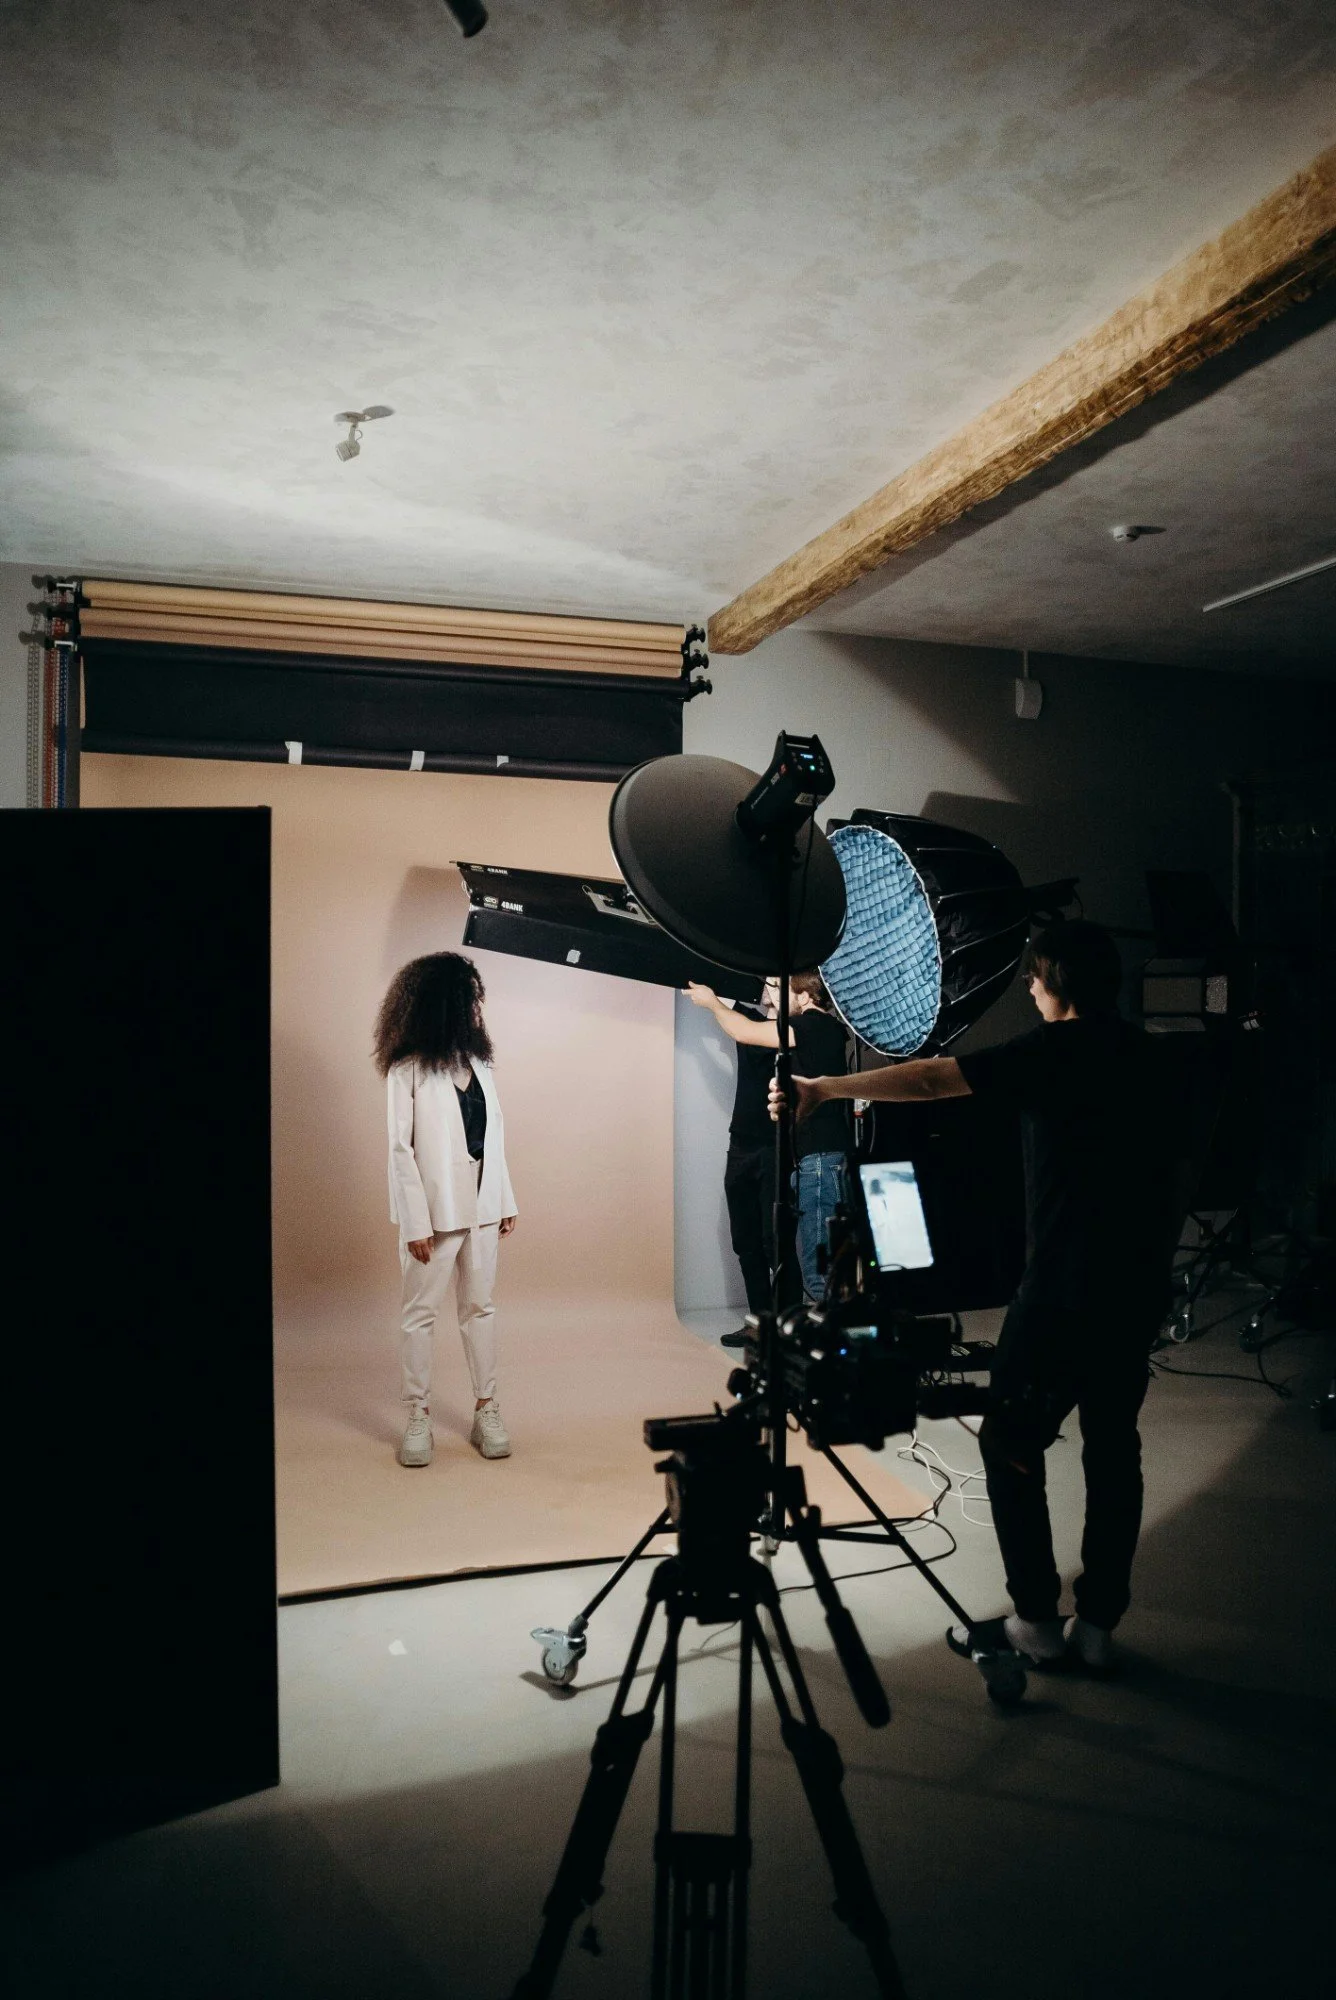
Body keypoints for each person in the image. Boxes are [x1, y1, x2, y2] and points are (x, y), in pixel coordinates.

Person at [773, 920, 1175, 1675]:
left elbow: (932, 1079)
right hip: (1135, 1290)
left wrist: (825, 1087)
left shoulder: (1053, 1052)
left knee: (1011, 1443)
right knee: (1114, 1448)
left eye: (1032, 977)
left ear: (1054, 979)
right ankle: (1099, 1626)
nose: (1027, 988)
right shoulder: (1152, 1057)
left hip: (1059, 1292)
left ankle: (1034, 1621)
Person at [373, 952, 518, 1469]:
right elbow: (399, 1149)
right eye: (468, 1001)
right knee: (420, 1315)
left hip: (482, 1206)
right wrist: (414, 1222)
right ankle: (417, 1413)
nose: (476, 1011)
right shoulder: (405, 1071)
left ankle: (486, 1406)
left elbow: (494, 1137)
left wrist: (505, 1198)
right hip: (433, 1217)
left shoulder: (480, 1066)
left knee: (480, 1309)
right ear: (442, 1006)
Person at [688, 971, 850, 1306]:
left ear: (804, 995)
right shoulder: (823, 1030)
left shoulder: (811, 1026)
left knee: (817, 1270)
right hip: (812, 1156)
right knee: (816, 1258)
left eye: (781, 988)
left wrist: (712, 1002)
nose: (773, 993)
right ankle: (789, 1329)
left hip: (818, 1159)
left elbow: (743, 1029)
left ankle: (819, 1340)